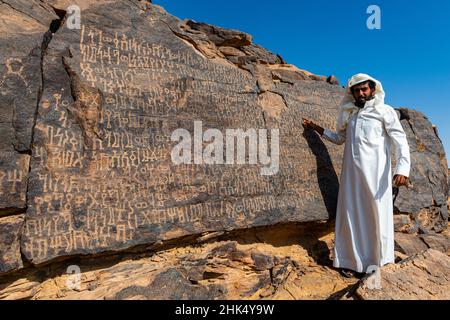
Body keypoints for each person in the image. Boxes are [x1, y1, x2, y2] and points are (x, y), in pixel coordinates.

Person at [302, 73, 411, 278]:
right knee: (350, 216)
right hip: (351, 178)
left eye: (364, 89)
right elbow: (339, 138)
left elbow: (400, 141)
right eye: (357, 90)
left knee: (376, 217)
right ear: (352, 92)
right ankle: (351, 262)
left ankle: (378, 263)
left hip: (376, 177)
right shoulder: (350, 115)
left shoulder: (384, 111)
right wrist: (317, 128)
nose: (361, 93)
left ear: (372, 89)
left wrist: (402, 169)